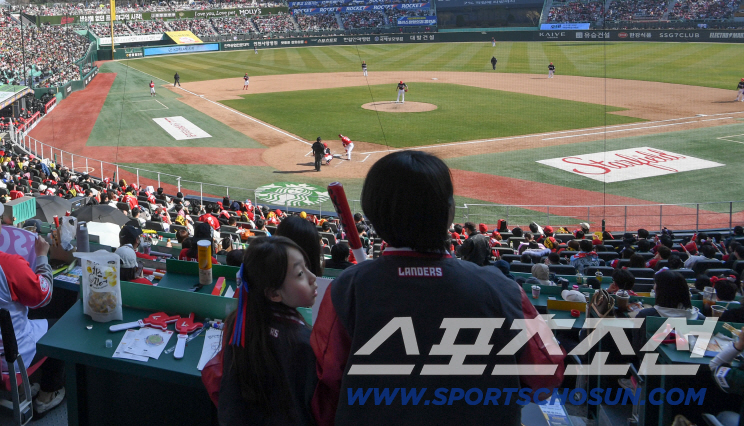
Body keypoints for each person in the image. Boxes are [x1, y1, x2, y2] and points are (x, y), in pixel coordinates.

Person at [311, 150, 564, 425]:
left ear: (373, 213)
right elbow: (547, 372)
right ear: (450, 210)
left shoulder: (347, 288)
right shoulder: (503, 289)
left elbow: (328, 377)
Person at [0, 199, 65, 413]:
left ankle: (22, 390)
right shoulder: (9, 263)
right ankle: (47, 394)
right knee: (61, 327)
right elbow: (43, 296)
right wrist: (42, 256)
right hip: (11, 355)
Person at [214, 236, 318, 426]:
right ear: (274, 294)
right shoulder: (305, 343)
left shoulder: (238, 323)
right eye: (300, 274)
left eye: (307, 268)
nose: (312, 278)